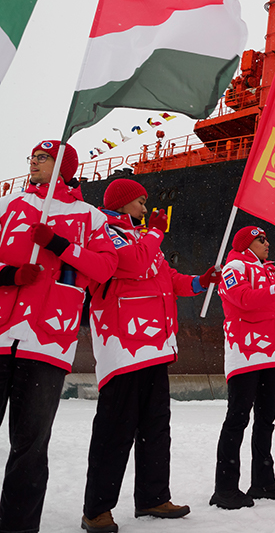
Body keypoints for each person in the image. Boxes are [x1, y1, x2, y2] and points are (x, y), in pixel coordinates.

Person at [82, 179, 219, 531]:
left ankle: (153, 497)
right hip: (123, 348)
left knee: (156, 428)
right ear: (123, 204)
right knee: (115, 431)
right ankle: (96, 509)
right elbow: (129, 265)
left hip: (155, 348)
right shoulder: (105, 231)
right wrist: (155, 233)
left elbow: (168, 277)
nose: (146, 209)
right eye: (141, 202)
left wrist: (200, 282)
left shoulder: (143, 238)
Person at [0, 141, 117, 533]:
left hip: (48, 343)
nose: (34, 161)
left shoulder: (92, 218)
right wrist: (9, 276)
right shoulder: (9, 207)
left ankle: (18, 527)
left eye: (44, 157)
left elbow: (104, 267)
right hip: (1, 335)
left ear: (63, 166)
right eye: (32, 155)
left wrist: (59, 245)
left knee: (30, 448)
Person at [211, 226, 275, 508]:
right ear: (247, 243)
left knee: (266, 420)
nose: (268, 243)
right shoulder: (234, 267)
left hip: (272, 354)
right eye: (261, 239)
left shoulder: (269, 270)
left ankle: (262, 481)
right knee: (237, 420)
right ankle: (225, 488)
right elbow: (244, 299)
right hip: (245, 354)